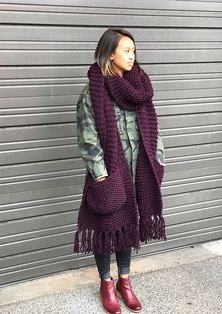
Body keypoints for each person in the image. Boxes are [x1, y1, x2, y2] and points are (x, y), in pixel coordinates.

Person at [74, 28, 167, 314]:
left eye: (133, 51)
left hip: (138, 168)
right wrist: (100, 173)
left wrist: (158, 158)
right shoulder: (94, 90)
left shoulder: (139, 87)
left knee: (128, 225)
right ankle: (105, 282)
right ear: (110, 53)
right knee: (105, 228)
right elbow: (87, 135)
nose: (132, 55)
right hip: (109, 172)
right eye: (126, 50)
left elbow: (153, 128)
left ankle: (124, 282)